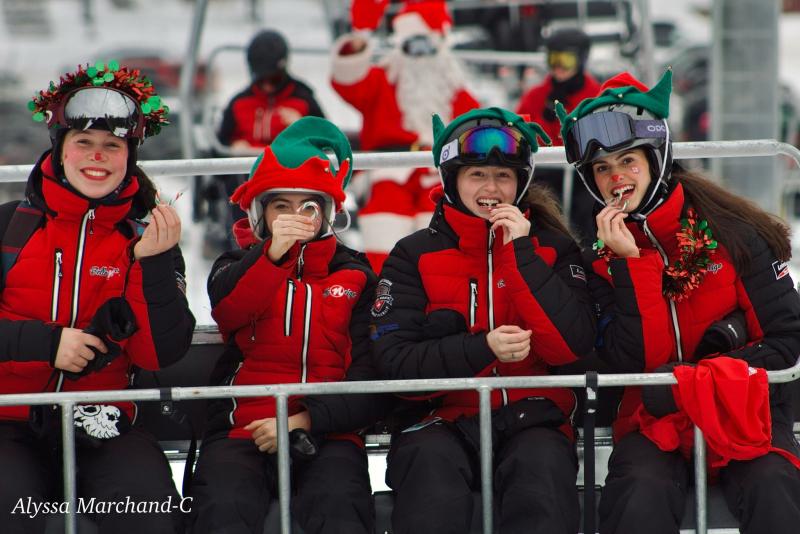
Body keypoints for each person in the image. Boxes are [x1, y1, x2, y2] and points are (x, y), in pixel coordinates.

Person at [557, 70, 800, 534]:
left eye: (628, 160)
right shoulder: (597, 261)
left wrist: (700, 379)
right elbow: (632, 361)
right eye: (602, 169)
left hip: (742, 411)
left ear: (656, 159)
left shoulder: (733, 232)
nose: (616, 178)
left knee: (775, 485)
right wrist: (630, 265)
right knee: (637, 495)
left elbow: (786, 338)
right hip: (654, 421)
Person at [371, 107, 597, 534]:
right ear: (452, 181)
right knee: (430, 484)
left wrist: (522, 255)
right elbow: (394, 363)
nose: (491, 188)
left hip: (534, 418)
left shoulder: (553, 250)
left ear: (521, 183)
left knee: (542, 483)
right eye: (477, 175)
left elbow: (574, 345)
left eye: (504, 176)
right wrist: (480, 349)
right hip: (440, 420)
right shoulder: (413, 255)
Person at [0, 61, 196, 533]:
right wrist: (46, 345)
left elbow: (161, 352)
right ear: (60, 150)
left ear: (129, 157)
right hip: (7, 420)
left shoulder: (147, 238)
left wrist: (150, 265)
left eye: (112, 146)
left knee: (146, 514)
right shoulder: (9, 227)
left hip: (103, 422)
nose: (97, 156)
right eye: (83, 142)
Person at [190, 116, 385, 534]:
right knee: (224, 507)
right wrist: (272, 257)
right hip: (242, 427)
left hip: (326, 429)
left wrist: (303, 421)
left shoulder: (355, 276)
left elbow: (369, 376)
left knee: (338, 507)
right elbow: (230, 312)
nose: (295, 216)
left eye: (309, 205)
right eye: (281, 205)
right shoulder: (234, 267)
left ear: (328, 214)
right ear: (261, 215)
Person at [331, 0, 480, 271]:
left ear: (440, 42)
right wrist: (360, 37)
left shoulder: (455, 91)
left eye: (426, 45)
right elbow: (347, 82)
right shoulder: (381, 81)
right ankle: (384, 283)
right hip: (389, 168)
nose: (419, 55)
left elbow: (478, 128)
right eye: (412, 46)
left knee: (439, 221)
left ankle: (436, 285)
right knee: (384, 215)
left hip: (439, 170)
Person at [207, 29, 325, 252]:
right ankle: (245, 243)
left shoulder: (302, 100)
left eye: (273, 79)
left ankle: (297, 243)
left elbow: (326, 143)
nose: (268, 86)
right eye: (262, 78)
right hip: (249, 175)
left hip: (290, 175)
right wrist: (233, 151)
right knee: (237, 182)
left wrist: (302, 127)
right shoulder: (240, 103)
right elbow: (218, 151)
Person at [516, 28, 601, 247]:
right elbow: (518, 130)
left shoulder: (595, 96)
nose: (558, 67)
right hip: (545, 172)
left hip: (583, 173)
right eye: (553, 59)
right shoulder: (537, 96)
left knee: (589, 208)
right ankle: (544, 252)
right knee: (540, 206)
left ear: (581, 59)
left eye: (565, 60)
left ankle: (592, 256)